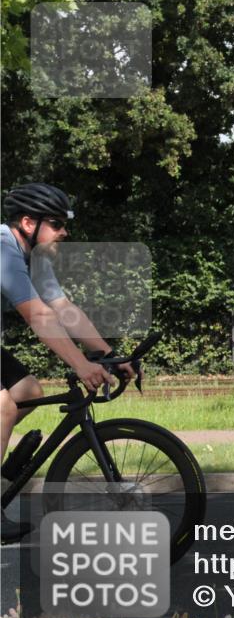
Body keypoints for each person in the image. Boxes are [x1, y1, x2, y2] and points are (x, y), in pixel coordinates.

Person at [1, 183, 135, 542]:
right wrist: (80, 364)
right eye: (57, 223)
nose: (65, 232)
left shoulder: (36, 256)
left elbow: (62, 309)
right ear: (28, 222)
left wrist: (106, 355)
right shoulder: (3, 246)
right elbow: (39, 316)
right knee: (2, 406)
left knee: (27, 392)